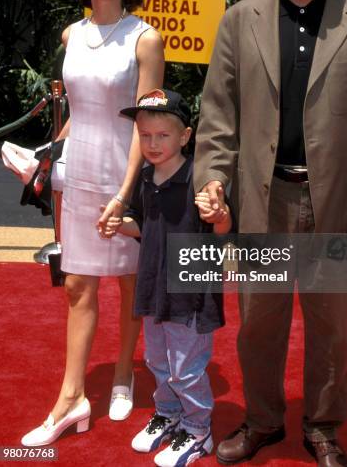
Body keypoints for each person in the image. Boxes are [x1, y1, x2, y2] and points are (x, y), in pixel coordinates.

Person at [194, 0, 347, 467]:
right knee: (260, 323)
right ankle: (262, 421)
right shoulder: (241, 18)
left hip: (336, 201)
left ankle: (323, 427)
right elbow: (218, 114)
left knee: (331, 329)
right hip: (264, 199)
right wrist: (212, 176)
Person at [21, 0, 165, 446]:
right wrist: (45, 158)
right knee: (78, 285)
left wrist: (127, 193)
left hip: (125, 174)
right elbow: (78, 112)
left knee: (128, 282)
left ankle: (124, 371)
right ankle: (72, 395)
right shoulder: (70, 35)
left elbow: (145, 124)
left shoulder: (144, 38)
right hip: (76, 172)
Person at [105, 88, 231, 467]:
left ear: (185, 136)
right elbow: (145, 226)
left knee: (187, 369)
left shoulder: (200, 179)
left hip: (189, 295)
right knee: (157, 361)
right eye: (145, 135)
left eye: (163, 135)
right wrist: (120, 225)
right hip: (154, 289)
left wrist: (219, 213)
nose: (153, 143)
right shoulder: (145, 177)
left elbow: (225, 230)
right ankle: (169, 414)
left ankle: (198, 430)